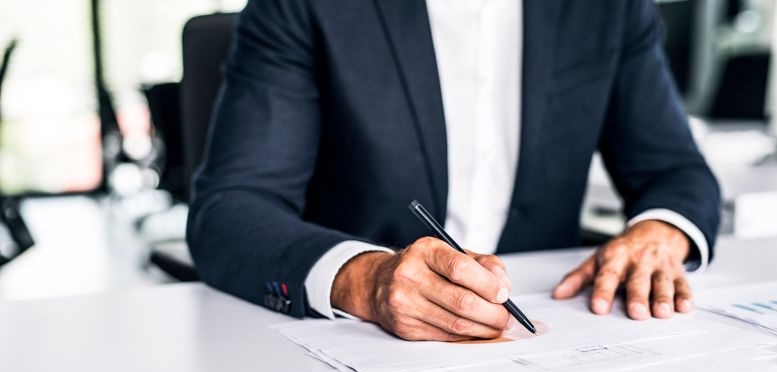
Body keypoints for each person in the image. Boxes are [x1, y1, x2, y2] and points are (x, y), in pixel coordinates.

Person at [187, 0, 721, 341]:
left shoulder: (609, 9)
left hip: (552, 344)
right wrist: (368, 280)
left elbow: (675, 169)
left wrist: (661, 231)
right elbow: (231, 208)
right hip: (354, 353)